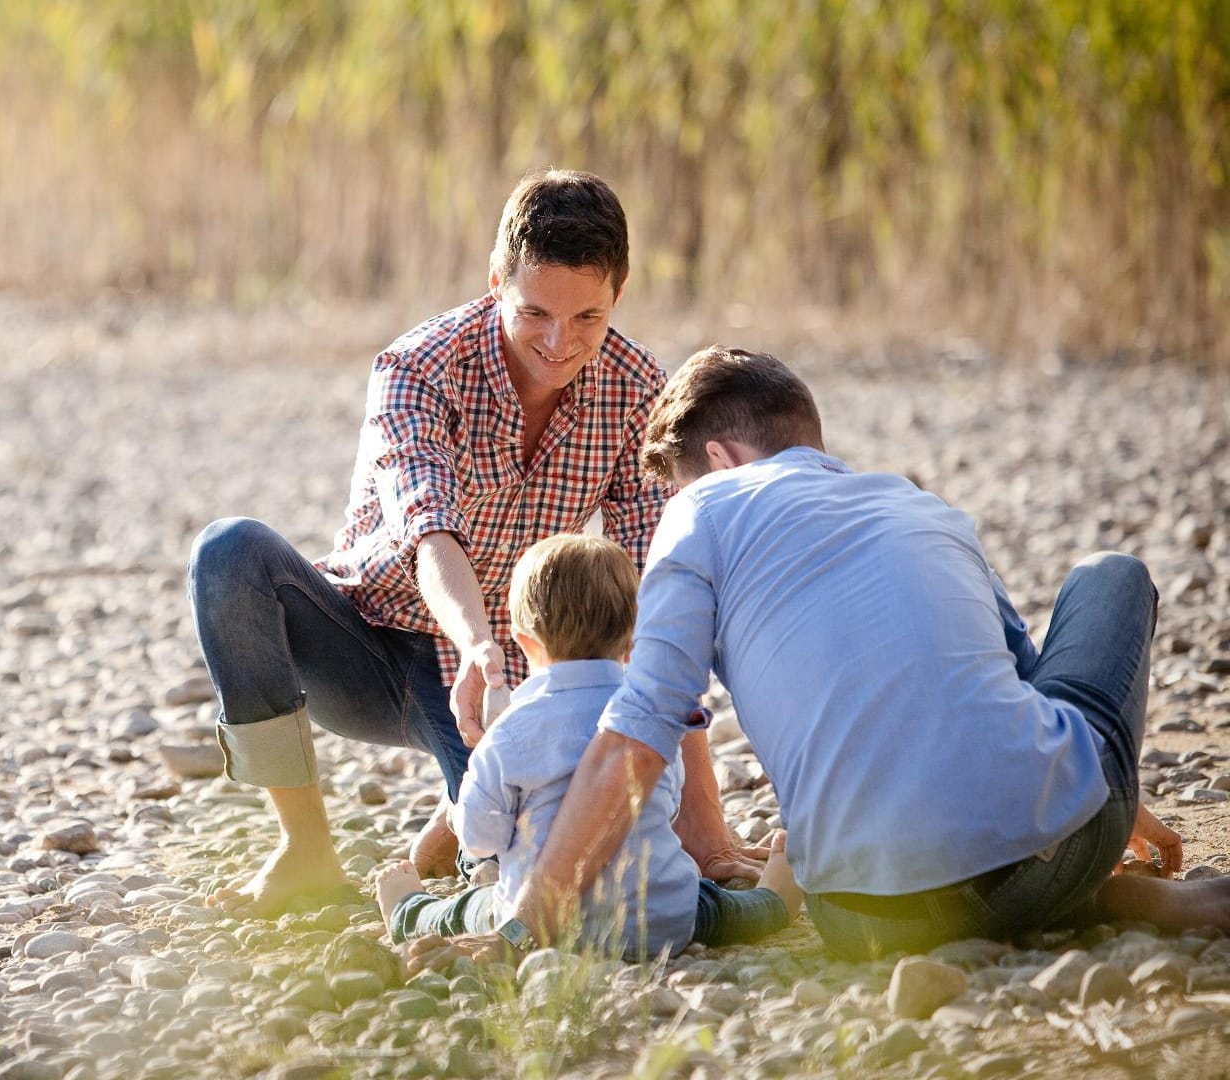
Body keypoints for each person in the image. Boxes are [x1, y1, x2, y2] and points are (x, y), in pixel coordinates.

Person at [435, 346, 1217, 964]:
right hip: (1060, 846)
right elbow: (1022, 680)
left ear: (720, 460)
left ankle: (1069, 904)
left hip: (862, 917)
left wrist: (522, 931)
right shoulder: (920, 505)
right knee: (1110, 575)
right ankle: (1082, 891)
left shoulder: (702, 512)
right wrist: (1114, 814)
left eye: (672, 489)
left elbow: (638, 737)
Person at [186, 171, 766, 917]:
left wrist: (705, 831)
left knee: (512, 875)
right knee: (228, 552)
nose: (560, 343)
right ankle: (303, 849)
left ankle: (446, 821)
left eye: (587, 316)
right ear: (497, 282)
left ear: (619, 293)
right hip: (368, 642)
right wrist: (476, 644)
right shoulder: (417, 368)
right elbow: (429, 530)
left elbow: (657, 603)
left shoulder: (635, 387)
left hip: (508, 686)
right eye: (535, 313)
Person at [375, 534, 799, 958]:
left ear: (525, 644)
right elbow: (667, 804)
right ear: (634, 640)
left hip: (543, 926)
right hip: (661, 921)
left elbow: (479, 838)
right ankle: (775, 901)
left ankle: (409, 911)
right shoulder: (651, 716)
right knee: (716, 908)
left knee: (470, 909)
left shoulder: (512, 730)